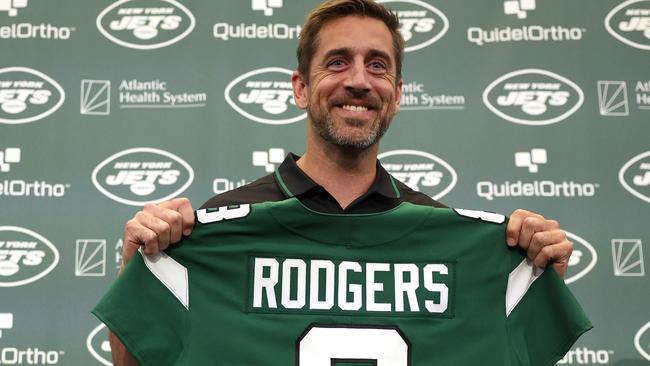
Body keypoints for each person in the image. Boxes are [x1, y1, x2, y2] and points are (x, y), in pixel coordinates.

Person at [106, 0, 575, 364]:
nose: (358, 81)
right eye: (336, 63)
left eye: (377, 65)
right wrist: (139, 263)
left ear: (397, 95)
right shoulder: (214, 232)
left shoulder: (451, 237)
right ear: (300, 87)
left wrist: (534, 275)